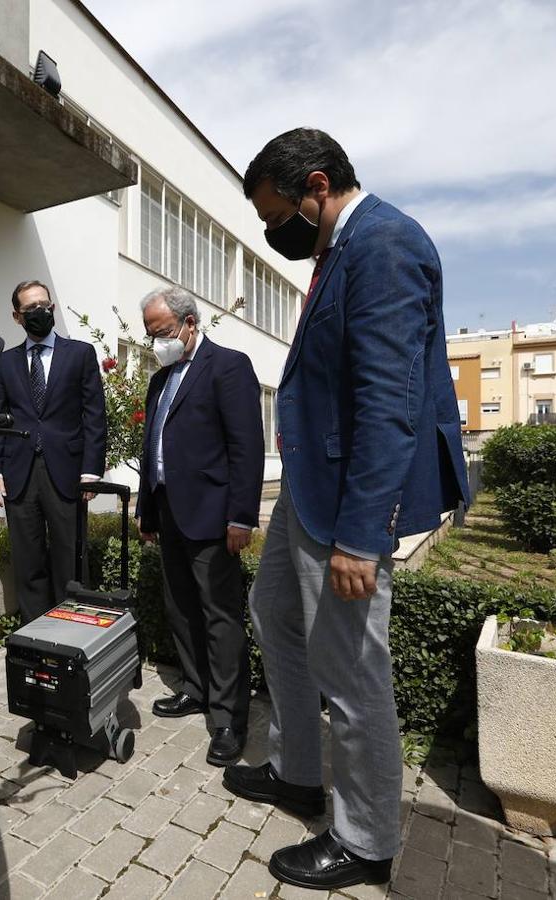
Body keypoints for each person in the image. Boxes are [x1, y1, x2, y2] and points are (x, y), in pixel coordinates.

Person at [224, 128, 469, 891]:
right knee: (274, 616)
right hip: (308, 490)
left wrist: (364, 537)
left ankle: (364, 839)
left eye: (276, 216)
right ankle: (299, 772)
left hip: (346, 507)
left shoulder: (385, 245)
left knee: (353, 668)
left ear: (317, 186)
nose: (274, 233)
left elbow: (390, 403)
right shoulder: (339, 252)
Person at [136, 286, 263, 767]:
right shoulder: (160, 379)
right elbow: (154, 450)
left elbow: (246, 447)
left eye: (163, 332)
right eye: (151, 335)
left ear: (190, 324)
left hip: (213, 515)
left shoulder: (228, 366)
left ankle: (229, 717)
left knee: (219, 615)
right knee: (181, 607)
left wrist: (241, 516)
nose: (157, 342)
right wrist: (148, 510)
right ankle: (196, 688)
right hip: (169, 511)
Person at [0, 280, 106, 622]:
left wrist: (91, 471)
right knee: (28, 561)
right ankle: (36, 636)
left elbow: (95, 416)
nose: (40, 312)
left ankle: (73, 630)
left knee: (71, 557)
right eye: (31, 308)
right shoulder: (5, 363)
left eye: (45, 305)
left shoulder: (80, 354)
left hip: (67, 472)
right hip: (19, 474)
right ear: (17, 317)